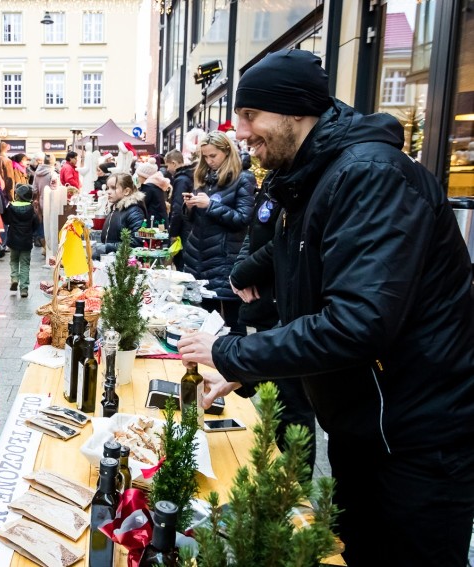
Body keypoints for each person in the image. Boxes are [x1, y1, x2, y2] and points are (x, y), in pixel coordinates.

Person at [178, 49, 474, 567]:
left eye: (250, 116)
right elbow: (306, 299)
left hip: (418, 440)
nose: (241, 132)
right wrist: (244, 366)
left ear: (295, 112)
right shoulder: (311, 176)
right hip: (366, 428)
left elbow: (357, 324)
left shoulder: (370, 176)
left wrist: (232, 354)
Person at [228, 174, 317, 470]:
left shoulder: (305, 184)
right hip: (259, 307)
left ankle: (291, 496)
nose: (244, 135)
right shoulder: (273, 182)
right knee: (269, 402)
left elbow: (283, 244)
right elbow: (255, 235)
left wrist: (245, 272)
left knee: (291, 409)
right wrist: (239, 272)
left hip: (286, 314)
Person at [172, 131, 254, 328]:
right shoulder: (203, 177)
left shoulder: (243, 178)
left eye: (213, 156)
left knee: (232, 321)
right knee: (203, 319)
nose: (209, 161)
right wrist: (189, 207)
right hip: (197, 257)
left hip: (224, 259)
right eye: (205, 156)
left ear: (226, 152)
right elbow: (191, 220)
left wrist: (210, 205)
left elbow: (244, 219)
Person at [94, 173, 146, 258]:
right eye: (107, 188)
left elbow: (136, 242)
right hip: (109, 260)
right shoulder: (116, 208)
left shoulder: (134, 211)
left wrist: (107, 247)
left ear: (126, 191)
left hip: (122, 264)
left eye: (113, 188)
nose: (108, 192)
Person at [3, 184, 40, 298]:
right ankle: (24, 289)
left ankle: (14, 278)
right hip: (26, 241)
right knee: (24, 264)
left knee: (13, 260)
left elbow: (6, 220)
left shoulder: (11, 207)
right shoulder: (31, 208)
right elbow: (36, 224)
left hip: (13, 240)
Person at [134, 161, 170, 229]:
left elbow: (140, 204)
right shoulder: (156, 186)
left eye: (139, 176)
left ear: (144, 177)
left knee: (155, 239)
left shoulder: (148, 187)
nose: (137, 178)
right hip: (161, 221)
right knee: (161, 237)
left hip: (153, 223)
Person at [42, 171, 66, 267]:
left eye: (55, 180)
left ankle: (56, 256)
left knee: (55, 234)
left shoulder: (61, 190)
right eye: (52, 180)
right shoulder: (48, 191)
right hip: (51, 218)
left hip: (57, 218)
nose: (53, 182)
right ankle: (53, 256)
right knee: (51, 234)